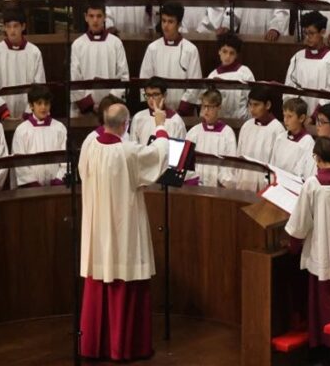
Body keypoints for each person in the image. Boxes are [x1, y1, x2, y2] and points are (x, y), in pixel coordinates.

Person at [79, 102, 170, 361]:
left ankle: (94, 345)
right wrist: (160, 124)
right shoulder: (127, 151)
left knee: (99, 278)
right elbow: (159, 155)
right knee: (125, 277)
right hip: (123, 229)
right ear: (125, 125)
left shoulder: (89, 144)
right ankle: (125, 346)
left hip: (98, 230)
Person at [284, 137, 330, 350]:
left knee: (322, 299)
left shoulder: (312, 184)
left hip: (322, 247)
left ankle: (325, 346)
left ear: (316, 158)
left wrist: (293, 245)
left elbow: (301, 221)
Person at [139, 2, 203, 116]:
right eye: (163, 21)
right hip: (156, 110)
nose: (165, 26)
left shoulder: (190, 50)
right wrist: (155, 106)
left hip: (183, 112)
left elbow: (195, 83)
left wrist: (181, 110)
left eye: (170, 22)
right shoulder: (152, 48)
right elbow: (145, 79)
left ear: (178, 24)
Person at [70, 0, 130, 116]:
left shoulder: (115, 43)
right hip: (85, 110)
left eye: (99, 16)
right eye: (91, 16)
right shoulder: (78, 44)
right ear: (85, 17)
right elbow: (75, 78)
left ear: (104, 17)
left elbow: (123, 76)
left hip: (111, 108)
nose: (95, 20)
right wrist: (90, 105)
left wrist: (107, 104)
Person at [0, 8, 46, 120]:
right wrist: (4, 113)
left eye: (16, 26)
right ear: (4, 28)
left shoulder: (34, 52)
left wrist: (28, 113)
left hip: (29, 116)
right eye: (8, 26)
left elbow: (39, 86)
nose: (12, 31)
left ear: (23, 27)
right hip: (3, 116)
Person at [10, 85, 67, 188]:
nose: (43, 107)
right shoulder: (22, 130)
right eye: (39, 103)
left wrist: (59, 180)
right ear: (31, 105)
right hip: (31, 190)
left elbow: (66, 158)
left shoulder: (59, 128)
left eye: (46, 103)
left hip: (56, 187)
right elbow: (19, 161)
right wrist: (32, 184)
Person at [231, 85, 286, 191]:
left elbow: (276, 165)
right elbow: (239, 156)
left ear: (268, 105)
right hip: (243, 183)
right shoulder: (246, 126)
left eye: (256, 105)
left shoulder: (277, 130)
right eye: (250, 104)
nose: (252, 109)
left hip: (264, 187)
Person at [285, 11, 330, 120]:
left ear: (322, 32)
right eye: (305, 33)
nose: (308, 37)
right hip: (298, 117)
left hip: (321, 118)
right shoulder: (297, 58)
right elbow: (289, 89)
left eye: (311, 33)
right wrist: (296, 115)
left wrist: (314, 117)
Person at [185, 89, 238, 187]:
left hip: (218, 189)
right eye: (204, 106)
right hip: (196, 187)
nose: (206, 111)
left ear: (219, 107)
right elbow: (187, 162)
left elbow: (230, 166)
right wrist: (194, 180)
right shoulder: (194, 132)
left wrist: (222, 182)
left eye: (210, 107)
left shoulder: (227, 133)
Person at [205, 32, 255, 121]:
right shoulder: (212, 75)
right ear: (219, 51)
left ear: (236, 55)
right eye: (224, 51)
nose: (227, 56)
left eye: (232, 53)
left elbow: (253, 100)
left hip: (241, 121)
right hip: (219, 122)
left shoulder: (245, 72)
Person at [130, 77, 188, 145]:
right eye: (148, 95)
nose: (151, 99)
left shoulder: (176, 120)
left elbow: (180, 149)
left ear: (164, 95)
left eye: (155, 94)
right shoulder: (138, 117)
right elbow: (133, 147)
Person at [270, 97, 317, 181]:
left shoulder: (308, 142)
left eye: (290, 116)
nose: (285, 120)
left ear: (301, 118)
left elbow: (308, 174)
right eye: (284, 115)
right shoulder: (280, 137)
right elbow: (272, 164)